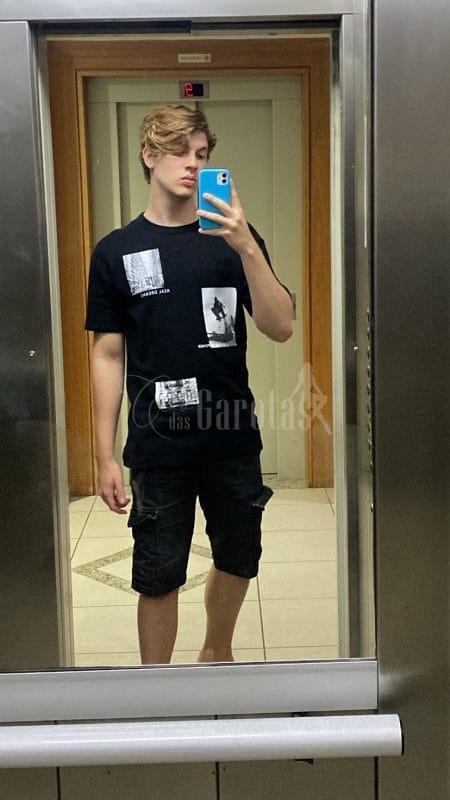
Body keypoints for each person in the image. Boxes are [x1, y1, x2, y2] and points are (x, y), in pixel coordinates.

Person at [84, 103, 294, 665]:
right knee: (157, 571)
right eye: (179, 151)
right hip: (158, 442)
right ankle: (157, 685)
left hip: (230, 434)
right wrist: (103, 454)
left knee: (239, 555)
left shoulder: (234, 239)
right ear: (149, 155)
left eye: (201, 154)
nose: (192, 164)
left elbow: (281, 326)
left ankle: (215, 653)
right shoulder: (116, 251)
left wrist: (246, 245)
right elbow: (107, 354)